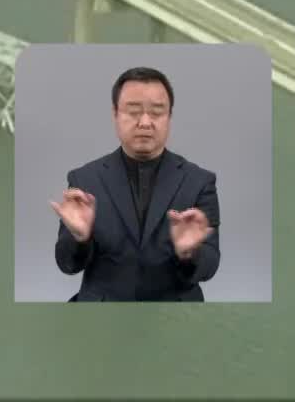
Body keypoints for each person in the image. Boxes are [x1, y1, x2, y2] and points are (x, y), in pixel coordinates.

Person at [50, 66, 220, 301]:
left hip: (174, 320)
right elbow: (67, 264)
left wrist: (190, 253)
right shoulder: (84, 180)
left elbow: (210, 266)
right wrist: (80, 238)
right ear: (115, 114)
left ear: (170, 116)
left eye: (157, 112)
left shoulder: (199, 182)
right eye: (133, 111)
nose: (145, 122)